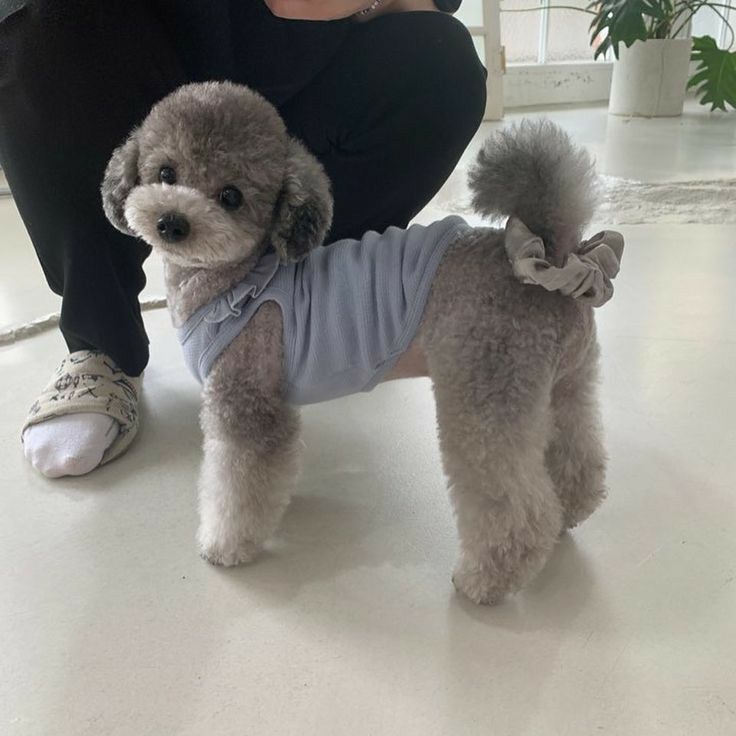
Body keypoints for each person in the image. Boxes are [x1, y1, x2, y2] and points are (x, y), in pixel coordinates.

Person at [0, 0, 487, 477]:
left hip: (328, 42)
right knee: (46, 25)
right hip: (146, 27)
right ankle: (100, 343)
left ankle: (301, 305)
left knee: (441, 63)